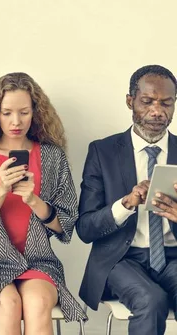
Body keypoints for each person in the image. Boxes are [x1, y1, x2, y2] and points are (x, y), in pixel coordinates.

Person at [0, 72, 86, 335]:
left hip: (38, 262)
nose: (16, 122)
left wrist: (34, 201)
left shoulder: (52, 157)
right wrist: (1, 190)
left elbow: (66, 225)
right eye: (6, 113)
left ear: (35, 112)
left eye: (24, 112)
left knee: (38, 303)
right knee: (9, 304)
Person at [77, 64, 177, 335]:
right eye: (147, 101)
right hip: (122, 258)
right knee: (151, 300)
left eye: (167, 103)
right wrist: (126, 204)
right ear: (130, 101)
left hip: (173, 258)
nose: (157, 111)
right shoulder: (103, 152)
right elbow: (85, 229)